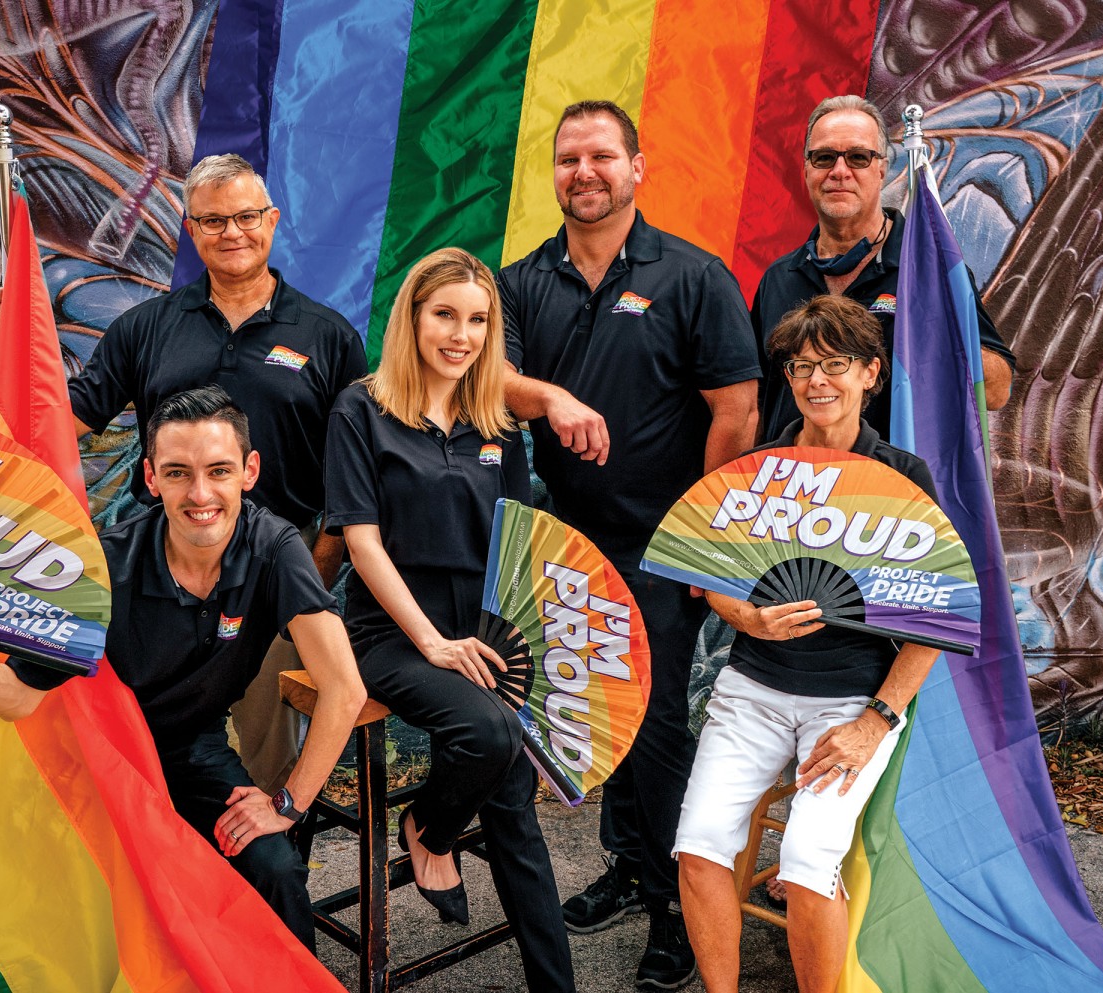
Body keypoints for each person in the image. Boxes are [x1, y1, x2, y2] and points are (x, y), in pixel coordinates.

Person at [0, 386, 366, 951]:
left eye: (219, 471)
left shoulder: (273, 547)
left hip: (192, 751)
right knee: (72, 899)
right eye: (178, 473)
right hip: (100, 761)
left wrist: (286, 804)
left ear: (249, 472)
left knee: (275, 868)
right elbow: (16, 696)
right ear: (151, 478)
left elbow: (344, 689)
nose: (200, 493)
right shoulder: (103, 565)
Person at [498, 100, 761, 989]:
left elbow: (737, 411)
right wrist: (551, 398)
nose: (585, 172)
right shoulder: (522, 281)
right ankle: (628, 864)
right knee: (599, 714)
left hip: (662, 546)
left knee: (653, 730)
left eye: (602, 156)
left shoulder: (692, 275)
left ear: (636, 168)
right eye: (569, 158)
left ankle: (674, 910)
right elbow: (491, 374)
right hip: (567, 542)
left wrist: (701, 542)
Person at [68, 154, 368, 795]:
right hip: (159, 573)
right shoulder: (147, 328)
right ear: (191, 229)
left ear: (272, 221)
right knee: (154, 749)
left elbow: (355, 472)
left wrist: (316, 566)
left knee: (265, 761)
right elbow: (66, 422)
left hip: (277, 566)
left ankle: (267, 856)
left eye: (246, 217)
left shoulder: (329, 336)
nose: (232, 232)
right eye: (212, 221)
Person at [324, 248, 576, 992]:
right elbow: (362, 545)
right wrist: (432, 642)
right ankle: (428, 828)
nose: (461, 335)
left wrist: (524, 647)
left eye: (477, 320)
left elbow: (517, 544)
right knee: (492, 736)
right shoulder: (360, 410)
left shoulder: (495, 421)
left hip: (483, 631)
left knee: (515, 809)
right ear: (412, 317)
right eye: (444, 315)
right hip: (393, 632)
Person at [674, 295, 942, 992]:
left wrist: (874, 721)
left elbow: (935, 625)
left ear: (871, 373)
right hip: (752, 687)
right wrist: (746, 617)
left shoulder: (903, 478)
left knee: (806, 861)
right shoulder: (761, 468)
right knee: (698, 846)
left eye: (835, 363)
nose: (816, 379)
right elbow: (715, 581)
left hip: (850, 700)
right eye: (800, 366)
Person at [752, 95, 1015, 443]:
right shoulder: (778, 278)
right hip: (794, 474)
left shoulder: (926, 271)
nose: (839, 171)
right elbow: (755, 401)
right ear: (806, 169)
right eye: (824, 157)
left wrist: (934, 331)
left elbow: (996, 391)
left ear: (881, 169)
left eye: (858, 157)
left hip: (891, 475)